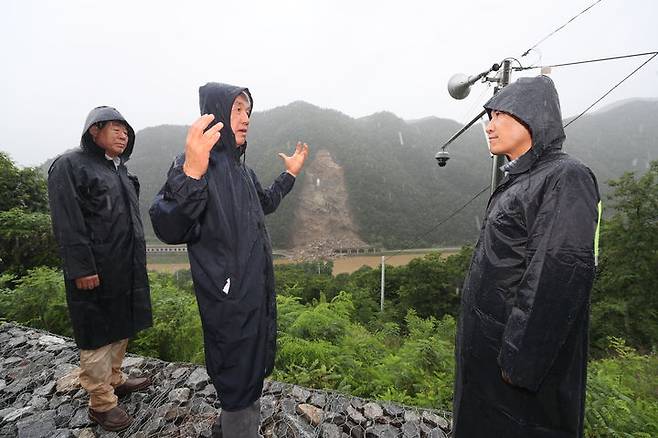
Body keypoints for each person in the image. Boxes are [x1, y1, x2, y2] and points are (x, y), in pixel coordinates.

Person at [150, 83, 308, 437]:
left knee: (247, 368)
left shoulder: (242, 171)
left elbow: (266, 202)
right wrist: (191, 174)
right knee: (239, 378)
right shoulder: (193, 166)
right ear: (216, 114)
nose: (245, 118)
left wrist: (291, 174)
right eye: (237, 109)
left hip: (254, 290)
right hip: (228, 298)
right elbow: (168, 225)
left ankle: (225, 427)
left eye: (247, 111)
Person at [452, 76, 600, 437]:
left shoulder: (566, 176)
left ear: (532, 116)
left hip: (517, 374)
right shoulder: (520, 180)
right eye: (489, 116)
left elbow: (559, 273)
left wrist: (520, 362)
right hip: (489, 358)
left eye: (500, 114)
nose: (489, 125)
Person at [48, 106, 152, 432]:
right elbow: (67, 221)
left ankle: (115, 380)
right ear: (95, 131)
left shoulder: (121, 171)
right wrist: (81, 267)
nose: (123, 134)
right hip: (92, 270)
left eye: (126, 130)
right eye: (115, 128)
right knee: (96, 335)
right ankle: (101, 404)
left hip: (125, 267)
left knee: (121, 327)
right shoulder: (70, 166)